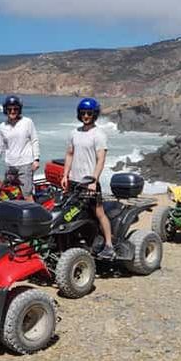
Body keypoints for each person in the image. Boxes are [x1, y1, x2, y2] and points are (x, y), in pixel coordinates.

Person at [60, 98, 115, 259]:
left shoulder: (98, 135)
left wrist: (94, 180)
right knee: (70, 213)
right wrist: (65, 175)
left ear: (94, 114)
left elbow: (101, 159)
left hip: (90, 183)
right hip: (75, 182)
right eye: (83, 113)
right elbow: (69, 154)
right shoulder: (74, 133)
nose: (86, 116)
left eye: (89, 113)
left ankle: (109, 245)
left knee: (99, 213)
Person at [0, 95, 40, 202]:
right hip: (10, 166)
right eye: (10, 109)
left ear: (19, 109)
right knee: (9, 194)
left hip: (25, 164)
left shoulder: (27, 122)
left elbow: (34, 140)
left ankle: (35, 212)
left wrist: (36, 159)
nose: (13, 111)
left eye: (15, 109)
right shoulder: (2, 126)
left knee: (26, 195)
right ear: (5, 110)